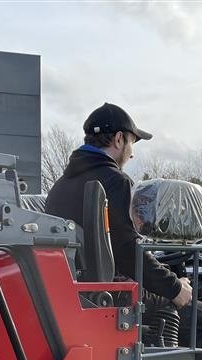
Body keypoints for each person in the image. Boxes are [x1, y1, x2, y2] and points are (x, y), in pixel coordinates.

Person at [45, 103, 192, 309]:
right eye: (132, 142)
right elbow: (128, 250)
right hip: (109, 297)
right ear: (119, 139)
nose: (131, 154)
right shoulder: (116, 182)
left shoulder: (60, 186)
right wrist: (175, 287)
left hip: (73, 294)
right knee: (201, 316)